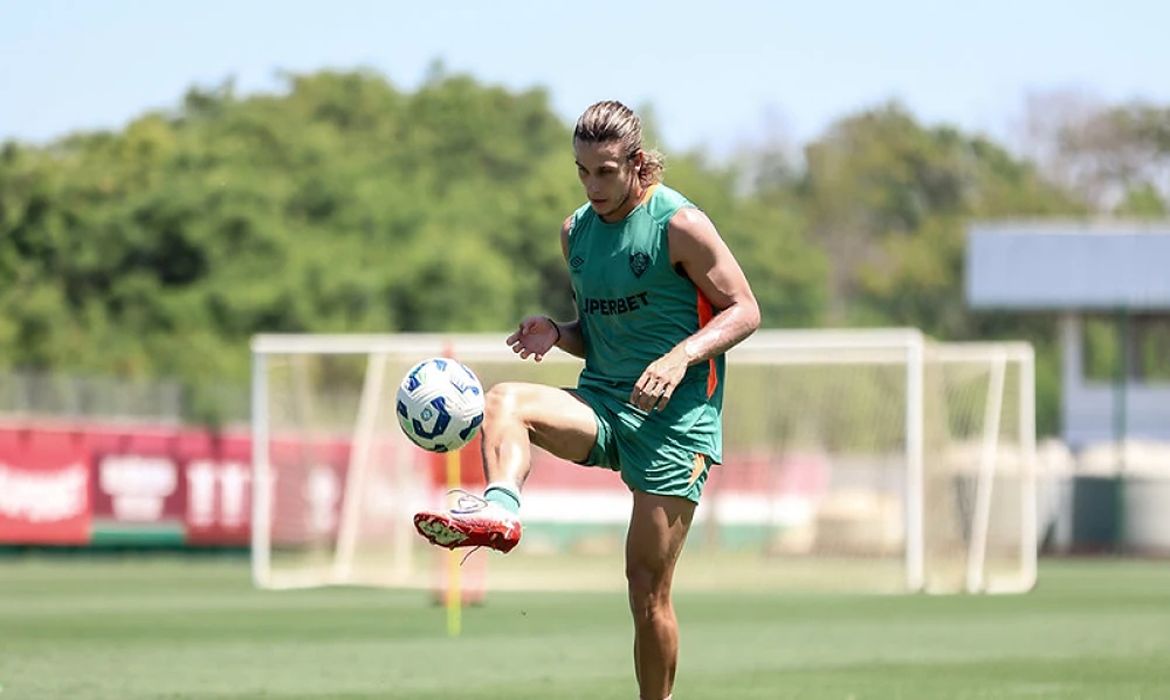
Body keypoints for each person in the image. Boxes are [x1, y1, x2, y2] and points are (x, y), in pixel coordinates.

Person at [414, 99, 761, 700]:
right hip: (601, 405)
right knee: (504, 400)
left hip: (674, 425)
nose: (592, 185)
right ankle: (501, 510)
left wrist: (679, 357)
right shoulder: (575, 232)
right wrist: (558, 332)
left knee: (645, 589)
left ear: (637, 163)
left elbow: (745, 310)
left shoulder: (680, 224)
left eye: (605, 171)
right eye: (582, 170)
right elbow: (600, 331)